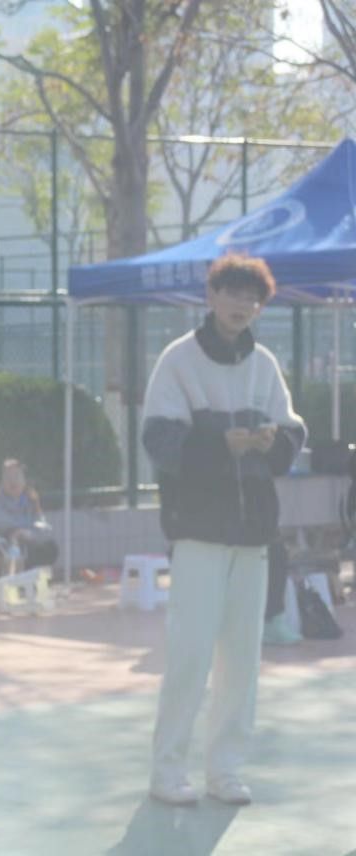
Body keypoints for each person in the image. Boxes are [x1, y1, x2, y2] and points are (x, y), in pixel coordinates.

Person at [141, 254, 305, 807]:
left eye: (253, 298)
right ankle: (167, 772)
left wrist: (271, 442)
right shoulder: (178, 361)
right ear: (211, 297)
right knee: (189, 656)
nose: (243, 305)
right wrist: (219, 445)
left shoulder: (265, 364)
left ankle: (226, 770)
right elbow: (158, 440)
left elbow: (292, 432)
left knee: (242, 660)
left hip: (254, 536)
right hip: (197, 534)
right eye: (233, 294)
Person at [0, 458, 58, 586]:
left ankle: (28, 581)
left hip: (25, 556)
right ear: (1, 482)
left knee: (50, 547)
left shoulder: (31, 501)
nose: (13, 481)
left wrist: (27, 534)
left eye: (17, 476)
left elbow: (44, 530)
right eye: (8, 477)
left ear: (24, 480)